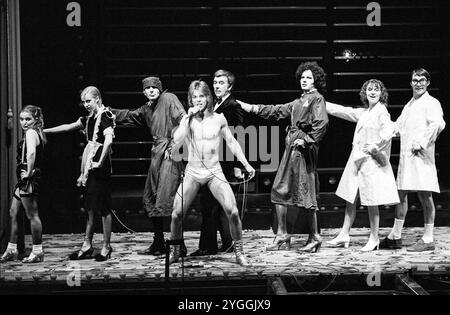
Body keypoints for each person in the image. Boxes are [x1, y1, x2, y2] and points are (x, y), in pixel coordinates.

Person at [237, 61, 328, 253]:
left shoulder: (316, 99)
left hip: (302, 149)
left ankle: (315, 236)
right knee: (279, 190)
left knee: (305, 191)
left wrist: (307, 140)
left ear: (316, 81)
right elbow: (276, 110)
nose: (304, 80)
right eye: (302, 77)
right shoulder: (298, 102)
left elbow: (322, 123)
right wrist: (250, 107)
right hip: (292, 149)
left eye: (309, 77)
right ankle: (282, 234)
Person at [168, 80, 255, 266]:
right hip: (193, 172)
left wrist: (246, 164)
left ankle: (239, 252)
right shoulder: (187, 119)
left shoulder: (219, 119)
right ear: (190, 99)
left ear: (208, 97)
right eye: (194, 97)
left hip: (214, 171)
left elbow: (232, 142)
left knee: (232, 211)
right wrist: (187, 119)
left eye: (201, 96)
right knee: (176, 214)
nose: (198, 100)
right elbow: (177, 140)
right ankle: (175, 251)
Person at [111, 76, 187, 256]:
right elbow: (130, 116)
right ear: (143, 91)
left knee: (168, 198)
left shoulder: (169, 99)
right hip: (156, 155)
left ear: (160, 89)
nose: (151, 90)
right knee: (152, 197)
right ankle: (158, 242)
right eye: (148, 88)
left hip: (170, 153)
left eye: (154, 87)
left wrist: (175, 144)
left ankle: (179, 244)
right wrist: (107, 111)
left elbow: (184, 120)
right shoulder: (147, 108)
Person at [325, 79, 399, 251]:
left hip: (370, 161)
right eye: (369, 90)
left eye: (376, 90)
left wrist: (376, 146)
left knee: (371, 201)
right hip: (358, 160)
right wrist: (321, 102)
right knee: (351, 197)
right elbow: (344, 111)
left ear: (382, 93)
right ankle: (344, 234)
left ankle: (374, 238)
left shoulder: (381, 111)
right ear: (365, 93)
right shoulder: (366, 112)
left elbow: (389, 131)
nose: (372, 92)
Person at [44, 86, 115, 261]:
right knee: (90, 205)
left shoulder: (105, 116)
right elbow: (69, 127)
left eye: (89, 101)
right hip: (89, 165)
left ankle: (106, 246)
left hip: (99, 165)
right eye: (84, 102)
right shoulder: (88, 118)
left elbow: (108, 140)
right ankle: (87, 244)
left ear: (97, 99)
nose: (86, 105)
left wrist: (100, 161)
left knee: (104, 207)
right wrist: (44, 131)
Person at [380, 68, 445, 251]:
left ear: (428, 82)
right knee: (400, 194)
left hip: (421, 156)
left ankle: (428, 239)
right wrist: (380, 125)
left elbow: (438, 123)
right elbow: (397, 127)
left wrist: (422, 143)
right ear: (411, 83)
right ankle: (396, 236)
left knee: (425, 195)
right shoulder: (409, 105)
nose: (418, 83)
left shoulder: (432, 102)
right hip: (407, 158)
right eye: (415, 80)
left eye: (422, 80)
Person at [190, 69, 245, 257]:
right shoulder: (215, 105)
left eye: (221, 83)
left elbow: (237, 136)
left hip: (225, 164)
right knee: (211, 206)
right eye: (215, 82)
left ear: (229, 85)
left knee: (216, 206)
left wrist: (238, 165)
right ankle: (219, 244)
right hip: (211, 162)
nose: (217, 86)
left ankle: (210, 246)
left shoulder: (232, 105)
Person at [0, 105, 46, 263]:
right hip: (24, 181)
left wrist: (28, 172)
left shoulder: (32, 133)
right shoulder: (33, 132)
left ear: (36, 120)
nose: (24, 122)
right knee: (13, 212)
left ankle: (37, 251)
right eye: (21, 119)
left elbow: (31, 153)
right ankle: (11, 249)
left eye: (28, 119)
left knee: (32, 215)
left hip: (28, 179)